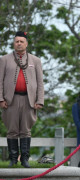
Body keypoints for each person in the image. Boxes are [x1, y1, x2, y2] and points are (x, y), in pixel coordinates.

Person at [0, 31, 44, 168]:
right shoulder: (4, 59)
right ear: (14, 43)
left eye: (21, 41)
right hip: (10, 100)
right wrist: (0, 99)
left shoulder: (35, 60)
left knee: (26, 130)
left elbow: (40, 82)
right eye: (16, 41)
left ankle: (25, 159)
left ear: (26, 43)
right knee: (12, 130)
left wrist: (40, 100)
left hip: (28, 100)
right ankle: (13, 159)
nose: (19, 43)